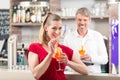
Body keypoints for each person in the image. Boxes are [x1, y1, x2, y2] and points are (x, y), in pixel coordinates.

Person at [27, 13, 89, 80]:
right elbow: (36, 74)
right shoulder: (35, 47)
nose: (57, 32)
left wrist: (68, 62)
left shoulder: (64, 49)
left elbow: (85, 70)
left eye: (60, 28)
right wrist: (50, 54)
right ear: (45, 28)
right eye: (54, 28)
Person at [63, 7, 108, 73]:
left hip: (93, 75)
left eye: (85, 20)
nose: (82, 22)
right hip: (74, 75)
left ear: (89, 21)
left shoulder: (97, 36)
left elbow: (105, 59)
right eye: (79, 20)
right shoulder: (68, 37)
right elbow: (64, 59)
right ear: (75, 20)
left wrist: (91, 58)